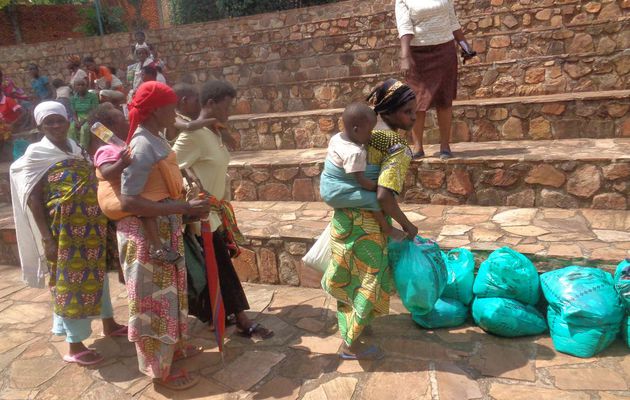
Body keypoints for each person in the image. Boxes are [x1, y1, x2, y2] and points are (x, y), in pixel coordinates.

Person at [9, 101, 126, 367]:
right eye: (48, 121)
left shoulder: (77, 149)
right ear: (40, 125)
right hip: (63, 234)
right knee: (69, 285)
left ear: (68, 121)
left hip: (92, 230)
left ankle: (109, 323)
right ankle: (74, 345)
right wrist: (47, 239)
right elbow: (34, 198)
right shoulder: (36, 154)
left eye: (59, 120)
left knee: (98, 278)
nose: (55, 126)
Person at [116, 81, 210, 390]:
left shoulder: (156, 137)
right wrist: (184, 206)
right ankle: (160, 373)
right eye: (172, 105)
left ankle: (173, 351)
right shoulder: (143, 144)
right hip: (146, 238)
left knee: (170, 297)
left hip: (165, 228)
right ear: (157, 110)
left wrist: (184, 207)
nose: (176, 110)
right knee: (152, 305)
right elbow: (129, 201)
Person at [321, 79, 419, 360]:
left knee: (351, 277)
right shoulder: (397, 145)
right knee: (370, 281)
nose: (413, 118)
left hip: (343, 217)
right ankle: (350, 345)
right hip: (367, 223)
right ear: (388, 111)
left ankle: (355, 327)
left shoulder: (362, 134)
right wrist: (405, 225)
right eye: (408, 112)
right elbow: (383, 196)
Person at [171, 81, 273, 339]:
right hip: (203, 217)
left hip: (216, 212)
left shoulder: (212, 131)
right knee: (222, 269)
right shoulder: (192, 135)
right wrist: (190, 195)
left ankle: (219, 315)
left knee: (218, 267)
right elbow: (170, 165)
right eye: (226, 106)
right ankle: (242, 320)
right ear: (210, 104)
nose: (229, 112)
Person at [395, 0, 475, 159]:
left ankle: (445, 146)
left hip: (445, 50)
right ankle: (418, 147)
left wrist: (465, 46)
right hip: (417, 53)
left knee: (444, 99)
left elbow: (452, 21)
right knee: (417, 101)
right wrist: (405, 55)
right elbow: (404, 27)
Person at [320, 102, 406, 241]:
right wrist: (378, 189)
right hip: (336, 193)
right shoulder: (354, 152)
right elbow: (361, 181)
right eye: (369, 131)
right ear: (356, 130)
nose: (371, 135)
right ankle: (387, 228)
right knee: (375, 200)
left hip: (328, 184)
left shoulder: (337, 138)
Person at [69, 78, 99, 149]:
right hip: (78, 117)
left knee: (85, 128)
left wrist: (84, 120)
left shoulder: (93, 96)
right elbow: (73, 112)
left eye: (83, 85)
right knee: (71, 128)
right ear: (74, 87)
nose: (81, 87)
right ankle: (74, 148)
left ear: (87, 86)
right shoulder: (73, 98)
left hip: (90, 117)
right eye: (78, 85)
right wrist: (76, 121)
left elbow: (94, 111)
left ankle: (83, 148)